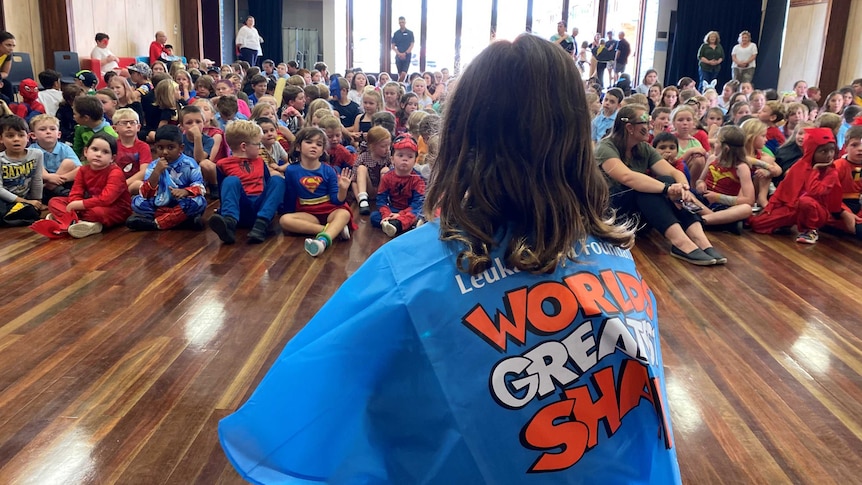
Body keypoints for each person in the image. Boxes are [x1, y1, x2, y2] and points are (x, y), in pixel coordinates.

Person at [219, 34, 681, 484]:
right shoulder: (618, 260)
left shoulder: (407, 273)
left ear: (461, 135)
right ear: (578, 138)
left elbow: (299, 413)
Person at [597, 104, 724, 265]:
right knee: (644, 187)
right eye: (645, 122)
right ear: (629, 127)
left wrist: (682, 188)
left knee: (669, 181)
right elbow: (627, 177)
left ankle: (702, 241)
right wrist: (668, 189)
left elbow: (674, 173)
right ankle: (681, 243)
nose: (650, 125)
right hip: (613, 215)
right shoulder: (606, 147)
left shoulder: (643, 148)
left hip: (638, 214)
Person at [750, 127, 841, 244]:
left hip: (816, 212)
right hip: (792, 207)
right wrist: (770, 208)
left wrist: (815, 170)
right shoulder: (799, 165)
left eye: (832, 151)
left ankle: (810, 230)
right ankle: (785, 223)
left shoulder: (831, 172)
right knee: (758, 224)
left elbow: (815, 191)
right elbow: (783, 189)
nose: (829, 155)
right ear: (811, 151)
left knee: (806, 201)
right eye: (823, 151)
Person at [31, 133, 132, 239]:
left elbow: (106, 199)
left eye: (105, 152)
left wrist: (78, 206)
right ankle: (79, 222)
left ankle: (68, 219)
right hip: (89, 204)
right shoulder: (83, 170)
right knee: (54, 202)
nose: (98, 154)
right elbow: (76, 192)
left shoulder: (115, 172)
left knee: (98, 213)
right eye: (95, 149)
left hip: (115, 208)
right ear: (86, 151)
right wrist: (75, 203)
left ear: (113, 158)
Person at [278, 126, 353, 256]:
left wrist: (343, 189)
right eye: (309, 142)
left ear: (323, 151)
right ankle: (334, 230)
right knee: (284, 220)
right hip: (308, 213)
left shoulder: (329, 170)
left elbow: (337, 200)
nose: (314, 146)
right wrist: (291, 216)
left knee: (344, 214)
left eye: (318, 144)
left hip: (330, 210)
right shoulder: (291, 170)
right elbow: (290, 196)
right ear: (298, 147)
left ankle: (322, 241)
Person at [208, 120, 285, 244]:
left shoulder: (260, 161)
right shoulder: (222, 164)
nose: (260, 148)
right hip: (239, 210)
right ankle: (229, 225)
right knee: (231, 181)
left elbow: (268, 185)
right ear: (244, 146)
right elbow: (224, 193)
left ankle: (260, 226)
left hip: (261, 210)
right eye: (258, 144)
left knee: (277, 180)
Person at [126, 125, 207, 231]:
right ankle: (182, 221)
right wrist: (156, 172)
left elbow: (200, 187)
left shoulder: (189, 164)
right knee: (137, 202)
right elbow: (146, 193)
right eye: (160, 147)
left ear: (181, 148)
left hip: (182, 202)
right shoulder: (153, 166)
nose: (165, 152)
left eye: (170, 147)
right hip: (161, 204)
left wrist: (185, 192)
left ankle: (155, 224)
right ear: (155, 147)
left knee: (199, 202)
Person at [693, 125, 755, 231]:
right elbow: (700, 180)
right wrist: (700, 184)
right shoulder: (712, 159)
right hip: (703, 201)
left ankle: (701, 221)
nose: (713, 144)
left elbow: (749, 200)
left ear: (726, 148)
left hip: (724, 206)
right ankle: (721, 222)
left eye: (717, 142)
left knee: (747, 209)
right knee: (683, 193)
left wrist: (718, 197)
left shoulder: (741, 167)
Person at [0, 115, 44, 226]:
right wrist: (25, 201)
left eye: (21, 135)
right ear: (1, 138)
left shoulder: (37, 154)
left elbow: (37, 179)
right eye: (10, 136)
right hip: (5, 200)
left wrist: (37, 201)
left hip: (24, 201)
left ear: (28, 137)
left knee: (32, 211)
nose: (16, 139)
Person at [29, 114, 80, 201]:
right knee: (37, 163)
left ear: (59, 134)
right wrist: (49, 178)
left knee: (68, 162)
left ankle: (52, 187)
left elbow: (80, 169)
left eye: (52, 129)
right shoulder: (31, 149)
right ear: (33, 135)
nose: (48, 132)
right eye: (42, 129)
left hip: (62, 182)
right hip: (41, 185)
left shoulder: (65, 148)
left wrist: (58, 179)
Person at [354, 126, 392, 214]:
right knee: (361, 168)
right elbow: (354, 180)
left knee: (386, 170)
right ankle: (363, 199)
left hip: (381, 190)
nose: (387, 149)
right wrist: (358, 199)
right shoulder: (364, 156)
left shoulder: (388, 157)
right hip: (368, 189)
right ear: (372, 146)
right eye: (383, 146)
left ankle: (383, 199)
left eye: (389, 145)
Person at [112, 108, 150, 194]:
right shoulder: (111, 145)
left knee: (138, 184)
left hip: (132, 184)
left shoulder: (143, 146)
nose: (129, 126)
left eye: (132, 123)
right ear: (114, 128)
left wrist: (124, 184)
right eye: (124, 123)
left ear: (138, 127)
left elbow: (144, 172)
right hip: (113, 182)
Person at [391, 16, 415, 82]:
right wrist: (399, 54)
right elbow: (393, 46)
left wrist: (405, 53)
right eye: (400, 22)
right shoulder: (396, 33)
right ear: (398, 23)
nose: (401, 23)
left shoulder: (410, 33)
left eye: (403, 22)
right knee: (400, 74)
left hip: (407, 55)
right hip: (398, 55)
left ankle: (397, 86)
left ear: (405, 22)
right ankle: (400, 86)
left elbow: (412, 44)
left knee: (404, 74)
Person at [0, 31, 16, 100]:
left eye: (13, 46)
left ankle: (11, 108)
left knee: (7, 85)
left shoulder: (8, 55)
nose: (11, 48)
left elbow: (5, 73)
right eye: (8, 45)